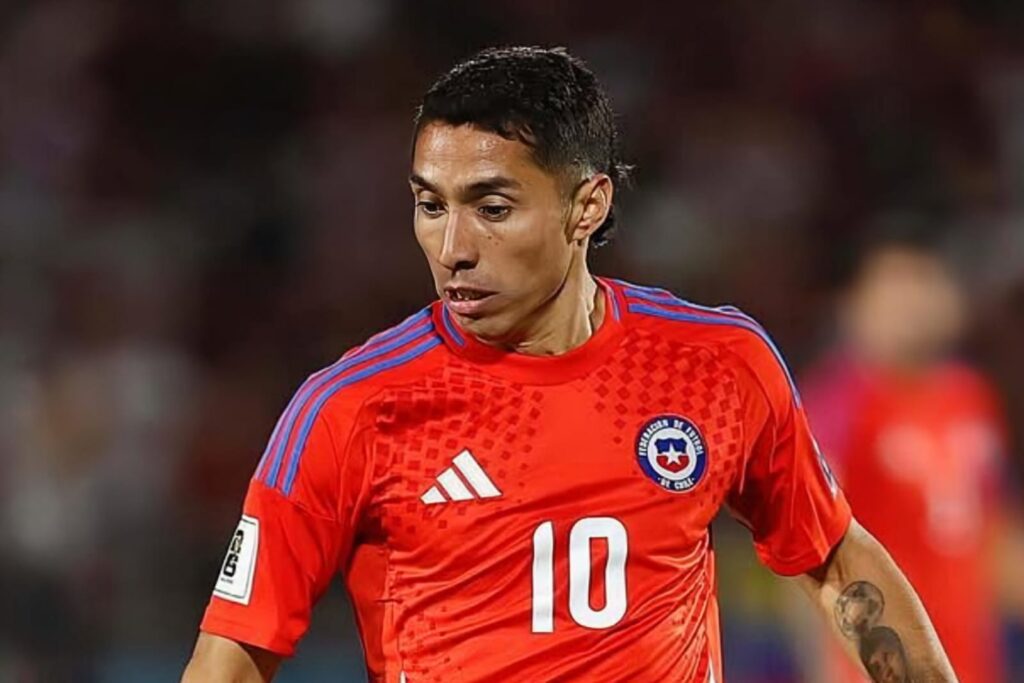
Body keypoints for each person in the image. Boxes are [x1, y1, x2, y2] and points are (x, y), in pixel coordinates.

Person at [181, 46, 956, 682]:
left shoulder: (717, 365)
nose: (452, 248)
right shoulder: (352, 407)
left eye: (492, 207)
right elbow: (235, 652)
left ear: (587, 205)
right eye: (429, 204)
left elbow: (830, 555)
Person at [802, 233, 1018, 683]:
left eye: (922, 281)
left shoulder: (970, 398)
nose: (911, 304)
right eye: (894, 286)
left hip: (973, 663)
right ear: (855, 304)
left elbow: (992, 539)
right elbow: (809, 557)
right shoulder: (837, 409)